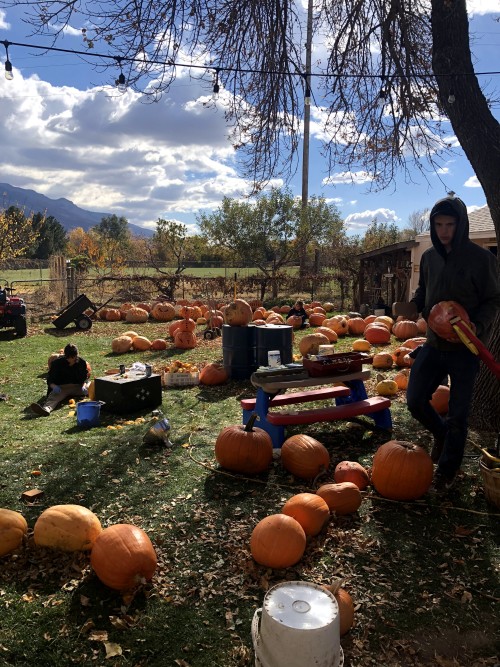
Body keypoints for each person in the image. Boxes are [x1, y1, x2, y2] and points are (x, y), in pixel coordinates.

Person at [405, 195, 500, 493]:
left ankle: (447, 471)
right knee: (415, 400)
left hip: (465, 348)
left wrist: (477, 325)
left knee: (459, 415)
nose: (444, 230)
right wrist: (415, 306)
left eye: (450, 224)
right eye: (439, 224)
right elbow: (424, 290)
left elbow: (493, 299)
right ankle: (440, 432)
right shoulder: (429, 257)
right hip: (433, 344)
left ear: (460, 225)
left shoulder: (482, 259)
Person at [30, 343, 90, 416]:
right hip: (62, 388)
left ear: (76, 355)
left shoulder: (82, 363)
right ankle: (46, 409)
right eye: (69, 358)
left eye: (73, 358)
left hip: (78, 386)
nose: (70, 360)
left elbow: (85, 378)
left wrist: (84, 385)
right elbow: (50, 380)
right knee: (53, 398)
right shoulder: (57, 363)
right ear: (65, 356)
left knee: (91, 387)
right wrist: (54, 387)